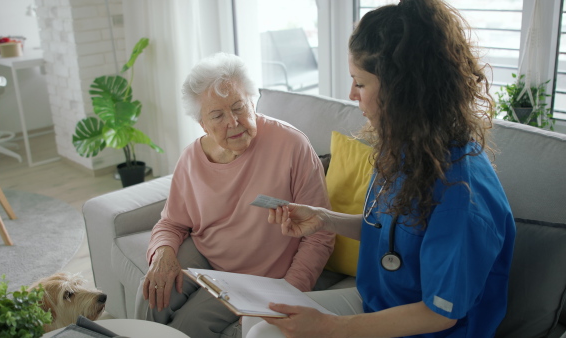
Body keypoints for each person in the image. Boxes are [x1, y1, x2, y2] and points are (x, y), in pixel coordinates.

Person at [246, 0, 516, 337]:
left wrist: (330, 327)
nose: (350, 94)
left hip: (428, 330)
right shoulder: (409, 149)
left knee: (263, 333)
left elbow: (440, 314)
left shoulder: (462, 196)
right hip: (379, 305)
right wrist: (324, 219)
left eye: (359, 83)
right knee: (257, 318)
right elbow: (391, 230)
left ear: (402, 91)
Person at [134, 52, 335, 338]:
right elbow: (172, 223)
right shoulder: (192, 158)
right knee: (150, 295)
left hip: (260, 276)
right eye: (217, 115)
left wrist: (290, 293)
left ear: (252, 101)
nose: (233, 121)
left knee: (190, 324)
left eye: (239, 107)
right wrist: (163, 254)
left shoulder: (291, 145)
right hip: (206, 257)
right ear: (202, 123)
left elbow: (321, 234)